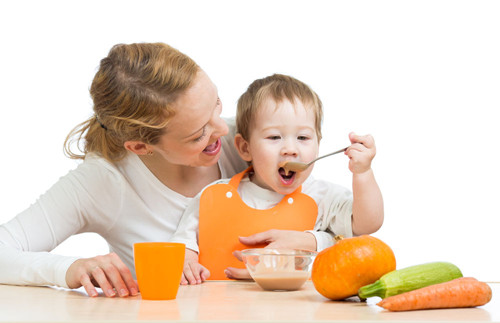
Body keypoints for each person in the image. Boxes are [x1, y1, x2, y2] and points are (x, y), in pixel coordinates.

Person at [0, 42, 252, 298]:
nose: (222, 129)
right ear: (141, 147)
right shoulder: (105, 181)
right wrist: (70, 268)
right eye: (199, 134)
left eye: (216, 104)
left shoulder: (253, 144)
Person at [171, 74, 384, 284]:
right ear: (245, 148)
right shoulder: (212, 196)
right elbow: (183, 245)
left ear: (318, 144)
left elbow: (367, 224)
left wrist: (363, 173)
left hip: (297, 314)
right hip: (221, 312)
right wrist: (187, 259)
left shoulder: (323, 196)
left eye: (303, 137)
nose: (290, 149)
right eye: (274, 137)